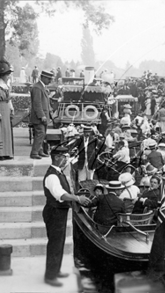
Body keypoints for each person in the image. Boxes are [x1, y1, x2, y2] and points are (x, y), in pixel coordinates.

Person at [43, 146, 91, 287]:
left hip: (59, 212)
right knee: (55, 244)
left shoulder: (58, 172)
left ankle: (55, 270)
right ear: (57, 157)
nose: (66, 160)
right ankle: (50, 276)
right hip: (54, 213)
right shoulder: (52, 175)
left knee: (59, 243)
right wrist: (78, 198)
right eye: (64, 157)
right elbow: (61, 195)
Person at [30, 70, 53, 159]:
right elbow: (37, 103)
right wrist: (42, 115)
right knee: (40, 133)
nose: (50, 81)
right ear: (42, 77)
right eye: (48, 79)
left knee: (42, 134)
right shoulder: (37, 88)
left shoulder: (41, 87)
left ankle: (39, 151)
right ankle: (34, 153)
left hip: (43, 116)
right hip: (39, 117)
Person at [0, 60, 14, 160]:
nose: (8, 76)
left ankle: (7, 152)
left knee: (6, 130)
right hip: (0, 109)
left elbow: (8, 99)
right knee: (1, 131)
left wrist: (11, 107)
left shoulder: (6, 85)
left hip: (6, 109)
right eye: (6, 74)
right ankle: (1, 153)